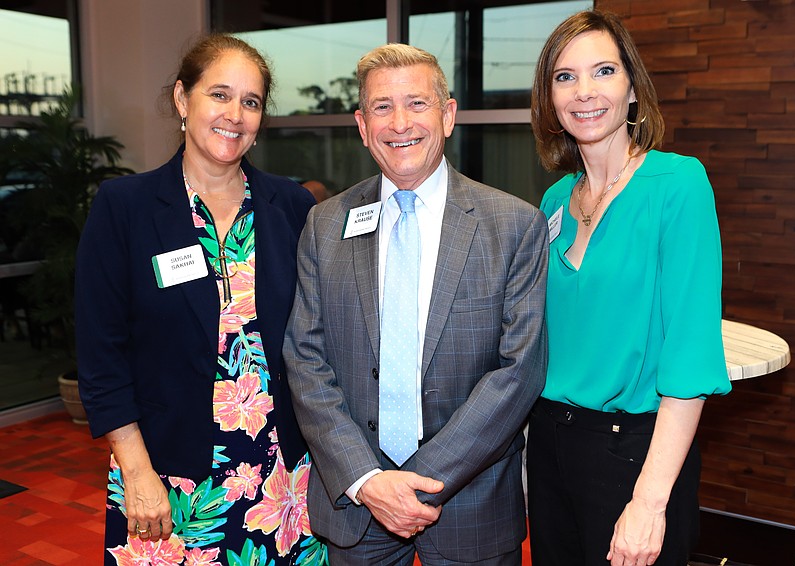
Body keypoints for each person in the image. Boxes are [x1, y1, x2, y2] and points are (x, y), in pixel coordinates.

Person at [283, 43, 549, 565]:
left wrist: (418, 484)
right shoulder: (325, 224)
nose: (400, 123)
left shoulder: (514, 225)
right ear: (362, 125)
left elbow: (519, 372)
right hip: (358, 502)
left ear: (448, 115)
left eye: (418, 104)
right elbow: (305, 359)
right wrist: (368, 480)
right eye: (382, 107)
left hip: (471, 501)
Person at [76, 34, 327, 565]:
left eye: (251, 101)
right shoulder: (125, 208)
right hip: (169, 476)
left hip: (281, 476)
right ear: (181, 99)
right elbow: (102, 354)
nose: (235, 114)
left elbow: (316, 336)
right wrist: (137, 472)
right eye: (220, 94)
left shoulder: (291, 206)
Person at [526, 10, 732, 566]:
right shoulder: (551, 204)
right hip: (549, 445)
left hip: (637, 452)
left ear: (633, 89)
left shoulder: (677, 184)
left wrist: (649, 500)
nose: (584, 92)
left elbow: (689, 354)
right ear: (549, 99)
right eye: (564, 77)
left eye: (603, 71)